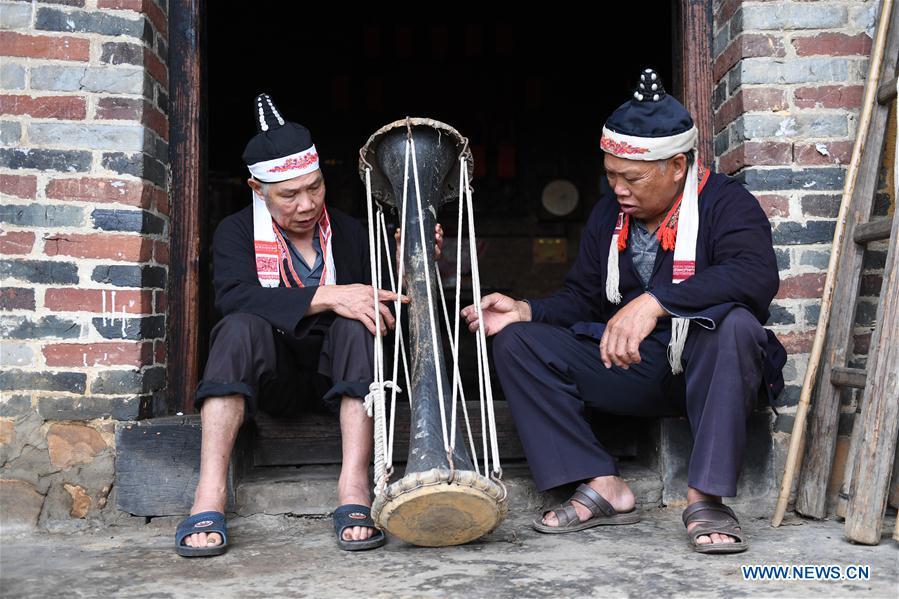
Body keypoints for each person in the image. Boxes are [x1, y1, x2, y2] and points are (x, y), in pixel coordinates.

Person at [462, 69, 785, 554]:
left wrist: (655, 303)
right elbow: (584, 299)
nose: (618, 189)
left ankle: (707, 497)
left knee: (736, 325)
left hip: (708, 370)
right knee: (514, 341)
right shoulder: (607, 215)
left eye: (631, 177)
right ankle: (602, 482)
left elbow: (756, 277)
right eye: (611, 175)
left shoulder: (726, 204)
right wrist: (527, 311)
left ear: (677, 166)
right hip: (635, 367)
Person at [175, 94, 440, 556]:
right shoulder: (236, 232)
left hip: (335, 378)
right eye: (289, 194)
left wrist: (408, 264)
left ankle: (354, 488)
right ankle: (209, 494)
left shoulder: (352, 231)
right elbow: (234, 296)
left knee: (362, 322)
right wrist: (332, 295)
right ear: (258, 190)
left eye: (314, 188)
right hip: (271, 379)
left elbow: (389, 301)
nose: (306, 203)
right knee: (238, 327)